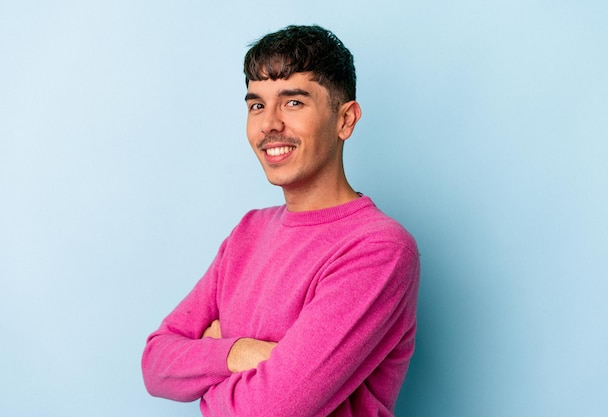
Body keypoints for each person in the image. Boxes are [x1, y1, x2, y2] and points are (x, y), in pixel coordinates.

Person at [141, 24, 420, 417]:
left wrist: (207, 364)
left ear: (345, 120)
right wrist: (246, 352)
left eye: (293, 102)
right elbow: (156, 365)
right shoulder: (248, 232)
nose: (269, 123)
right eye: (257, 104)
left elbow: (272, 410)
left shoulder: (379, 248)